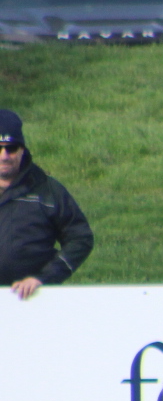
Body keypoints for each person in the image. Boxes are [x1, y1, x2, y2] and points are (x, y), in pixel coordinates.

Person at [0, 108, 92, 298]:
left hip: (33, 300)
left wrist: (43, 278)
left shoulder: (48, 191)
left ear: (22, 149)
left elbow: (80, 238)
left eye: (11, 148)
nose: (4, 156)